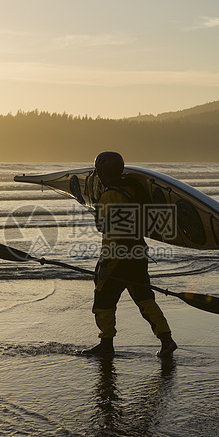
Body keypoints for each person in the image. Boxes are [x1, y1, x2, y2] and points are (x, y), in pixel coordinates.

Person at [83, 151, 177, 358]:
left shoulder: (110, 195)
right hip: (138, 251)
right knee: (144, 298)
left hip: (116, 255)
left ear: (103, 172)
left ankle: (106, 343)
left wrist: (105, 264)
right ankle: (166, 339)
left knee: (103, 299)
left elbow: (103, 226)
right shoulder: (136, 189)